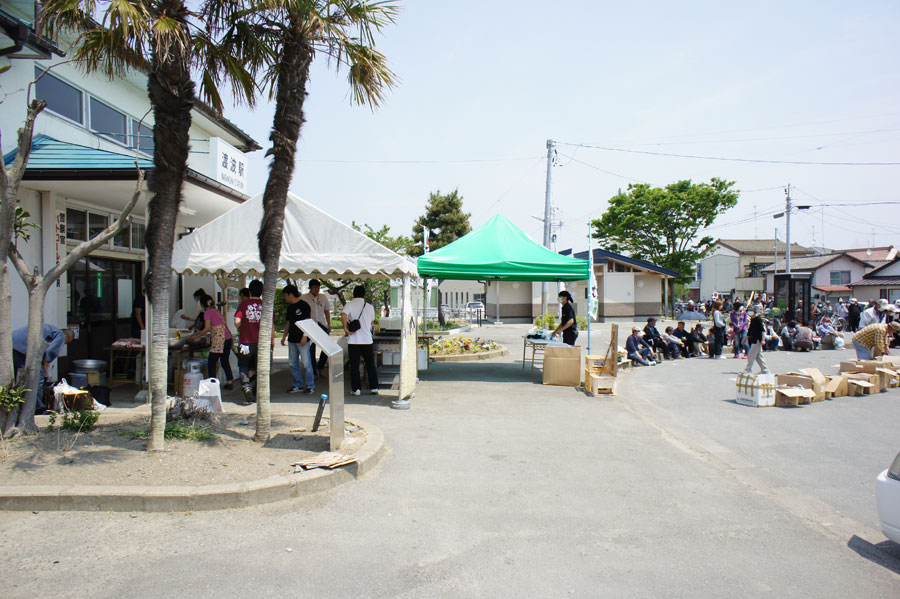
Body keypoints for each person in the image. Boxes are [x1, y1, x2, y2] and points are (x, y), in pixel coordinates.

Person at [12, 324, 74, 413]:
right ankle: (38, 409)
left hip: (12, 344)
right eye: (65, 342)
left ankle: (17, 405)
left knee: (18, 377)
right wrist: (45, 363)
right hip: (22, 349)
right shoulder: (60, 335)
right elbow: (50, 352)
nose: (63, 344)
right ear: (66, 336)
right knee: (37, 378)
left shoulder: (48, 329)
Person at [187, 295, 236, 390]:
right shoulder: (216, 311)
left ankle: (212, 384)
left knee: (211, 362)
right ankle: (230, 382)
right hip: (228, 337)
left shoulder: (207, 312)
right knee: (225, 361)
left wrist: (195, 337)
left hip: (219, 339)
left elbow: (207, 328)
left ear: (202, 305)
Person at [342, 285, 378, 395]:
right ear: (364, 295)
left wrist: (345, 329)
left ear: (353, 294)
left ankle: (356, 389)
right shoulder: (370, 307)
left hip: (354, 340)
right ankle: (374, 387)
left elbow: (343, 314)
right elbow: (372, 322)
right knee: (370, 364)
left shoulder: (349, 304)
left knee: (354, 365)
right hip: (367, 340)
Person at [281, 284, 314, 395]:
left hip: (302, 339)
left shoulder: (304, 305)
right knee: (292, 363)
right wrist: (284, 336)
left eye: (285, 295)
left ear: (290, 294)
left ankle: (310, 386)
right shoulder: (290, 308)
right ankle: (297, 384)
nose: (284, 298)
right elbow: (288, 323)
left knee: (306, 363)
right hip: (292, 339)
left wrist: (305, 336)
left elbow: (308, 321)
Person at [234, 279, 264, 404]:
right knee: (260, 367)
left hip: (245, 342)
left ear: (250, 291)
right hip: (261, 342)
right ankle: (257, 392)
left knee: (243, 365)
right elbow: (271, 325)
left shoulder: (244, 304)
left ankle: (246, 386)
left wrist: (242, 328)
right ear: (262, 292)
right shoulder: (265, 305)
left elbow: (236, 321)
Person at [302, 279, 331, 377]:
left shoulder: (323, 297)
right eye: (314, 287)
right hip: (310, 325)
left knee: (327, 346)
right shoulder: (304, 297)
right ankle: (314, 371)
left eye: (318, 287)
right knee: (311, 349)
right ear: (310, 287)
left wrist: (329, 324)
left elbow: (327, 311)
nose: (317, 289)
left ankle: (321, 366)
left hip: (322, 324)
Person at [743, 308, 770, 374]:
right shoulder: (753, 319)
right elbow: (750, 330)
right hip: (753, 339)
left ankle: (748, 369)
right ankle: (765, 370)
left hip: (757, 340)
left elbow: (763, 330)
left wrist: (763, 339)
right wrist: (745, 338)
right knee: (758, 356)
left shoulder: (758, 319)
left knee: (752, 354)